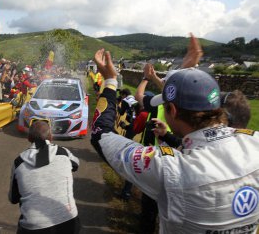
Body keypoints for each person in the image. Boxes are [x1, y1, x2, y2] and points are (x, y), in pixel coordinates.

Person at [91, 48, 259, 233]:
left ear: (172, 110)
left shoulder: (169, 167)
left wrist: (109, 80)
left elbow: (101, 134)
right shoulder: (254, 142)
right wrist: (167, 136)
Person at [9, 121, 81, 234]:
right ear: (51, 136)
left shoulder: (18, 162)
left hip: (33, 226)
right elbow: (76, 165)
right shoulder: (63, 153)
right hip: (68, 220)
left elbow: (13, 198)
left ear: (29, 138)